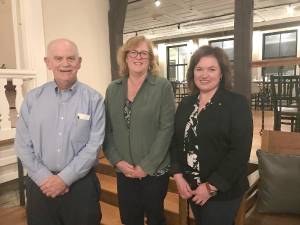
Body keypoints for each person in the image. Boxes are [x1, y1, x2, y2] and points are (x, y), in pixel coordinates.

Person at [15, 38, 105, 225]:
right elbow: (23, 144)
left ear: (79, 62)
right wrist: (44, 178)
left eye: (71, 58)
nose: (65, 63)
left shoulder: (94, 99)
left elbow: (94, 145)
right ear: (48, 62)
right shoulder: (32, 99)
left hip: (81, 186)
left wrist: (64, 179)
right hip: (41, 186)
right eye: (58, 58)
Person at [171, 45, 253, 225]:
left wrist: (210, 186)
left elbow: (239, 152)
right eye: (199, 69)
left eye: (211, 69)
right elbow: (175, 142)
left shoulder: (237, 104)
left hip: (222, 191)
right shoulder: (186, 103)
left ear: (222, 73)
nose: (204, 74)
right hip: (191, 187)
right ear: (192, 73)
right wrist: (177, 175)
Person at [103, 36, 175, 225]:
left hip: (154, 170)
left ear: (151, 59)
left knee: (155, 218)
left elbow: (166, 129)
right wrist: (117, 161)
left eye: (144, 53)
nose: (138, 57)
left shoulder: (162, 87)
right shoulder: (113, 89)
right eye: (133, 52)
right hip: (124, 170)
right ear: (125, 57)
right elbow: (107, 130)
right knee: (129, 218)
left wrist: (146, 166)